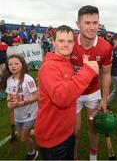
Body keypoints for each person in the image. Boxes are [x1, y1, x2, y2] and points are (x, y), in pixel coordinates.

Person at [34, 25, 99, 160]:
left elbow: (70, 89)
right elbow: (62, 98)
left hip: (66, 132)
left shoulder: (65, 61)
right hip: (52, 137)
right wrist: (87, 72)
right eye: (61, 41)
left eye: (69, 41)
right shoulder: (50, 67)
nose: (66, 45)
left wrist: (83, 71)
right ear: (53, 42)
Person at [70, 5, 112, 160]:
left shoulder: (106, 46)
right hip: (73, 93)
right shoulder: (69, 44)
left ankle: (93, 156)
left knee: (93, 127)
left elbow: (106, 74)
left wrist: (105, 99)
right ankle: (73, 157)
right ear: (78, 24)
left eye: (95, 23)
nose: (92, 27)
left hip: (93, 93)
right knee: (74, 130)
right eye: (87, 23)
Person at [1, 54, 39, 160]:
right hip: (18, 116)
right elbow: (9, 96)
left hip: (30, 114)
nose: (13, 66)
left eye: (17, 63)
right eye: (10, 64)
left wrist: (22, 103)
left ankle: (32, 152)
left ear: (22, 65)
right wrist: (9, 103)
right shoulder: (9, 80)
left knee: (23, 138)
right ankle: (41, 133)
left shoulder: (28, 79)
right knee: (20, 134)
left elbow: (37, 96)